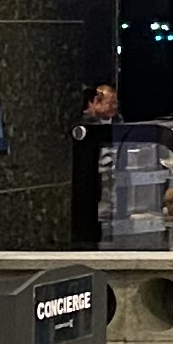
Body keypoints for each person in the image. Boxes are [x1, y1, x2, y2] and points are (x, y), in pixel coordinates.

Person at [68, 79, 120, 244]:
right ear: (93, 102)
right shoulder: (83, 125)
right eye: (108, 102)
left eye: (115, 102)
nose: (113, 106)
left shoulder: (120, 123)